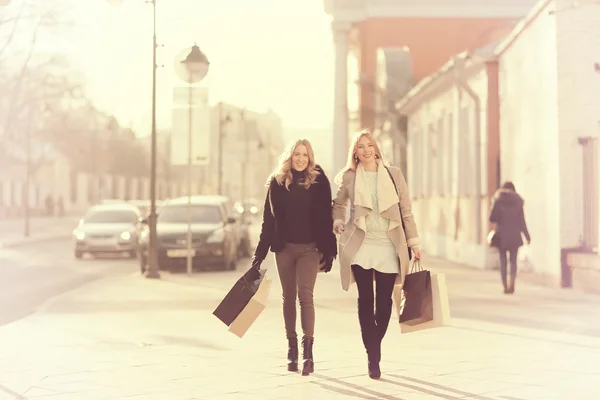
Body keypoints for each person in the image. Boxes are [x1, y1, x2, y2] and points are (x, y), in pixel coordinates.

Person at [332, 130, 420, 380]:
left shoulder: (394, 175)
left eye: (370, 145)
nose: (366, 150)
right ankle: (374, 359)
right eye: (361, 146)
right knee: (364, 300)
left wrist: (414, 242)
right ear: (355, 152)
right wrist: (338, 221)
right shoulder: (349, 177)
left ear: (376, 148)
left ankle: (373, 347)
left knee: (384, 303)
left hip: (388, 244)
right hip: (361, 243)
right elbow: (338, 205)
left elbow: (406, 211)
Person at [251, 138, 337, 376]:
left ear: (310, 158)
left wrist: (329, 250)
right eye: (297, 154)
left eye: (305, 155)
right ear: (290, 156)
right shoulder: (277, 183)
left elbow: (326, 219)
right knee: (288, 296)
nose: (301, 158)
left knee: (305, 295)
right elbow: (269, 221)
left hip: (310, 248)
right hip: (284, 249)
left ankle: (308, 351)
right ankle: (291, 348)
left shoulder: (319, 182)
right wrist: (259, 254)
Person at [489, 181, 530, 294]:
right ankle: (512, 284)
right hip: (515, 235)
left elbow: (492, 218)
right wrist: (527, 236)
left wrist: (494, 205)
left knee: (503, 261)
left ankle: (505, 286)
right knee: (513, 261)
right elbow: (522, 221)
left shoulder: (498, 200)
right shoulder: (518, 202)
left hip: (501, 235)